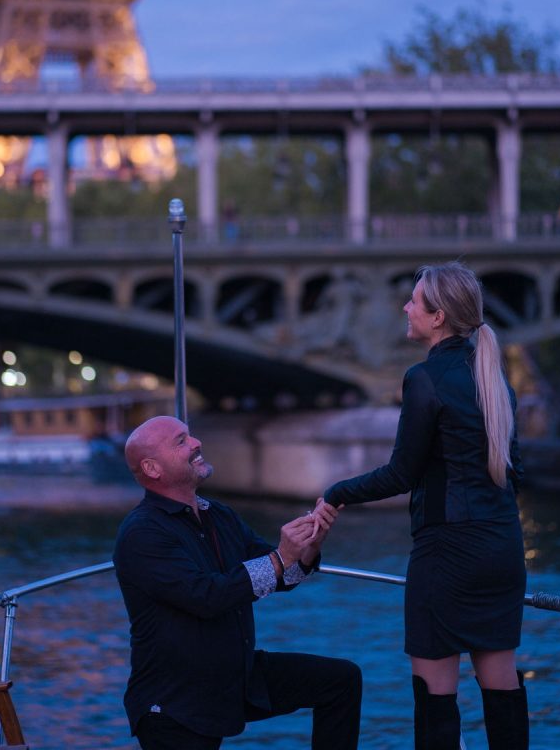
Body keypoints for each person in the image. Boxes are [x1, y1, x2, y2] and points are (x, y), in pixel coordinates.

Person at [323, 262, 528, 750]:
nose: (406, 308)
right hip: (501, 552)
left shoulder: (424, 379)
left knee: (436, 701)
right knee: (502, 689)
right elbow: (514, 472)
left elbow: (401, 474)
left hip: (446, 557)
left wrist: (336, 493)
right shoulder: (497, 384)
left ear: (437, 318)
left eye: (414, 301)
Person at [113, 414, 362, 750]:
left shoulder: (219, 515)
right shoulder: (142, 533)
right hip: (175, 699)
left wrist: (308, 544)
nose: (197, 443)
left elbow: (281, 575)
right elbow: (206, 597)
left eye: (190, 436)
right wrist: (280, 557)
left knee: (341, 681)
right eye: (181, 441)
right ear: (153, 469)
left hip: (235, 675)